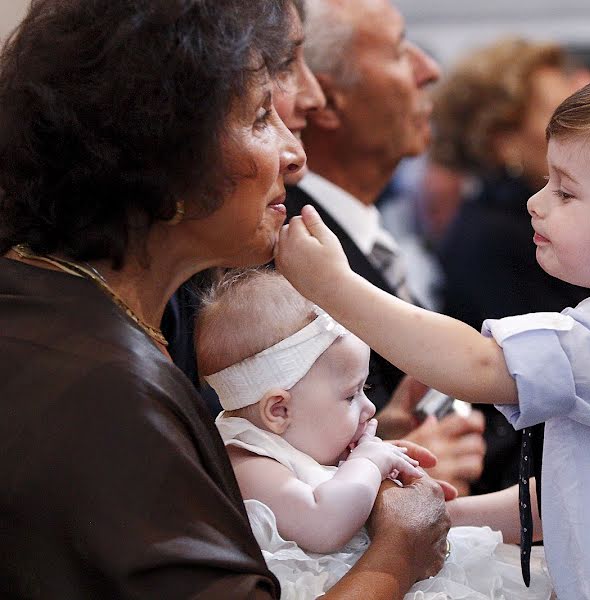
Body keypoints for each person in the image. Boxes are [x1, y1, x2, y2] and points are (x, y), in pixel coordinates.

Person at [277, 68, 590, 599]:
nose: (536, 201)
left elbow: (478, 365)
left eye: (566, 193)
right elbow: (581, 497)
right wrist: (446, 516)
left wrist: (334, 287)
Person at [0, 0, 449, 597]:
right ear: (168, 150)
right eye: (263, 116)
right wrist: (399, 554)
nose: (294, 155)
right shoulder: (103, 381)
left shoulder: (66, 309)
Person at [194, 269, 553, 598]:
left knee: (430, 517)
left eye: (366, 389)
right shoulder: (247, 461)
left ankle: (531, 510)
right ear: (279, 410)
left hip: (381, 556)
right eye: (351, 395)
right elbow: (323, 525)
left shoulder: (301, 447)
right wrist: (368, 463)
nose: (368, 409)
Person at [285, 0, 487, 494]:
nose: (430, 69)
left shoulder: (357, 231)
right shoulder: (293, 248)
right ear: (327, 104)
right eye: (399, 51)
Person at [429, 38, 590, 496]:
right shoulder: (493, 239)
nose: (581, 124)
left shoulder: (516, 221)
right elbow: (571, 373)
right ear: (505, 143)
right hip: (541, 472)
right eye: (557, 113)